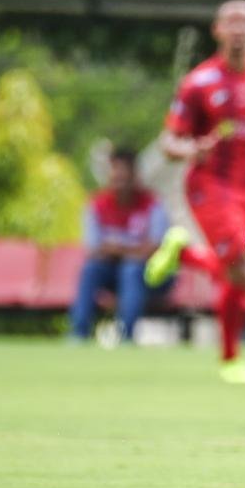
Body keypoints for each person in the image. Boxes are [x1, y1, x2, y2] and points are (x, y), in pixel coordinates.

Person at [146, 0, 245, 384]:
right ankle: (189, 256)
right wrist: (192, 147)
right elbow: (168, 142)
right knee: (244, 272)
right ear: (217, 30)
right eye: (231, 21)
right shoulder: (199, 82)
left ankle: (228, 357)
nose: (239, 28)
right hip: (210, 186)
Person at [70, 147, 173, 343]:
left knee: (131, 269)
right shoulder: (97, 204)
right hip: (111, 272)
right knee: (90, 269)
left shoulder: (153, 204)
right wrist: (129, 250)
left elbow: (155, 247)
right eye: (116, 177)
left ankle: (127, 337)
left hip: (150, 276)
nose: (120, 183)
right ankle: (78, 334)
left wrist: (118, 249)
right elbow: (93, 248)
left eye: (125, 178)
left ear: (135, 176)